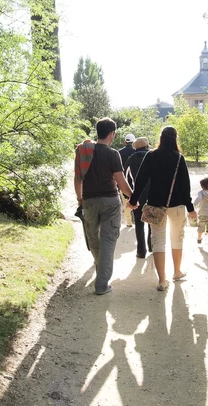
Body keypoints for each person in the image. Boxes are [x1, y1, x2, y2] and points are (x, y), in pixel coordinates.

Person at [128, 126, 197, 291]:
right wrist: (191, 208)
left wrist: (133, 200)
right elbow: (185, 186)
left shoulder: (151, 155)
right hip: (178, 205)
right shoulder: (179, 158)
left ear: (160, 138)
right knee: (177, 239)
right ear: (175, 138)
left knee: (158, 241)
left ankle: (162, 280)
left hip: (155, 204)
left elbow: (141, 180)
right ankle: (177, 272)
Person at [74, 117, 134, 295]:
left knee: (93, 237)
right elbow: (122, 183)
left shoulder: (84, 152)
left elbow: (77, 179)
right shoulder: (112, 154)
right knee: (108, 240)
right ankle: (102, 284)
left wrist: (80, 199)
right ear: (112, 134)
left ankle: (100, 268)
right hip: (110, 202)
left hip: (89, 201)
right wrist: (134, 198)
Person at [125, 137, 152, 258]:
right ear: (147, 145)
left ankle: (141, 251)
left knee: (139, 222)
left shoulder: (131, 159)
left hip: (137, 194)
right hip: (153, 194)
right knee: (152, 220)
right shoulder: (153, 156)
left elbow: (126, 178)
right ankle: (152, 246)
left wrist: (130, 195)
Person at [119, 133, 136, 227]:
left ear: (125, 142)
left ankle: (129, 222)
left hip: (123, 181)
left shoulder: (119, 152)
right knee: (136, 199)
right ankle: (137, 220)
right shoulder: (136, 151)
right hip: (135, 181)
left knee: (125, 202)